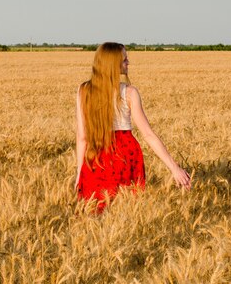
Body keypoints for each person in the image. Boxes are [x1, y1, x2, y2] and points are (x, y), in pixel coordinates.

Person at [75, 42, 191, 212]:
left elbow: (82, 137)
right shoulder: (129, 93)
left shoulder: (83, 90)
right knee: (126, 209)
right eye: (124, 60)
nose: (128, 63)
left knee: (95, 210)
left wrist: (80, 174)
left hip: (96, 157)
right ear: (113, 65)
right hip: (125, 155)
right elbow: (148, 134)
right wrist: (174, 168)